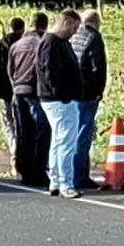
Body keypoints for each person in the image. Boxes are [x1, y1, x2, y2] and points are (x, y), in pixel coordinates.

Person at [37, 10, 83, 198]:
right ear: (66, 23)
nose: (75, 31)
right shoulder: (51, 43)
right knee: (66, 141)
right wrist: (63, 95)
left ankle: (55, 180)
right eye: (74, 26)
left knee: (58, 140)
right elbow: (50, 72)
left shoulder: (59, 42)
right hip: (59, 100)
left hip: (56, 99)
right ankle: (66, 183)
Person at [8, 13, 51, 187]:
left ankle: (23, 170)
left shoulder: (16, 45)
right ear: (43, 27)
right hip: (35, 93)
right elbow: (43, 70)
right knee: (41, 132)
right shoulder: (41, 45)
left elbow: (10, 71)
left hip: (18, 91)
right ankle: (38, 172)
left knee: (23, 133)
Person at [71, 9, 108, 189]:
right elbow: (98, 68)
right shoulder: (93, 38)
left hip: (71, 93)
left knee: (71, 134)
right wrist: (98, 92)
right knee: (83, 135)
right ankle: (80, 176)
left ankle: (71, 173)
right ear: (96, 22)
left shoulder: (74, 36)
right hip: (87, 94)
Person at [0, 17, 26, 172]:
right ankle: (20, 154)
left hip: (4, 91)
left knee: (8, 124)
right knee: (21, 124)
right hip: (22, 90)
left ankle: (14, 148)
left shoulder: (0, 46)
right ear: (23, 28)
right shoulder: (26, 44)